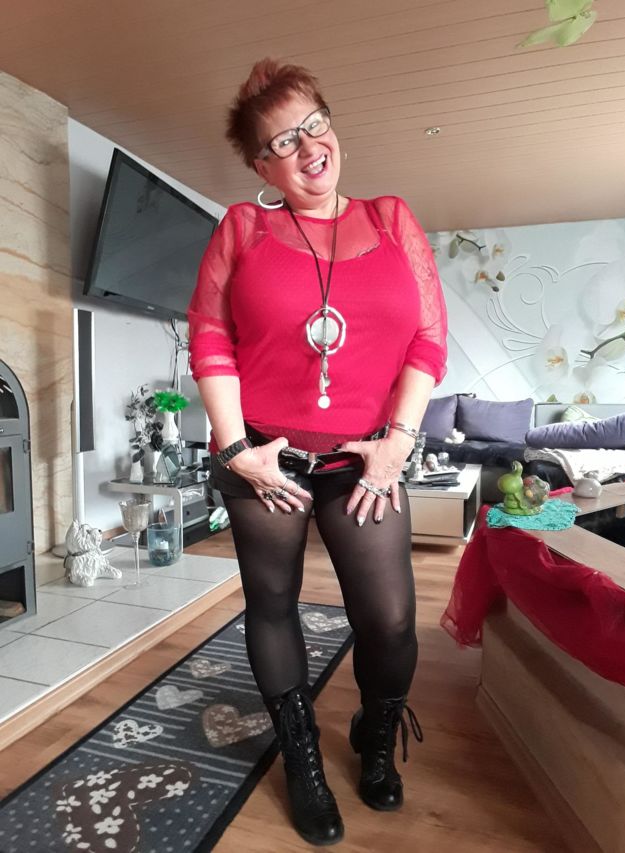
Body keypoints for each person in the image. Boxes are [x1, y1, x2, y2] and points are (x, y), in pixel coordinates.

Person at [188, 58, 447, 846]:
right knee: (272, 603)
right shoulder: (242, 228)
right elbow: (210, 337)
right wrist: (237, 449)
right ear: (262, 165)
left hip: (366, 459)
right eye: (282, 141)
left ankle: (376, 728)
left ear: (332, 127)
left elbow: (428, 338)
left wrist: (397, 445)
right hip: (264, 459)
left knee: (391, 620)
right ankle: (301, 753)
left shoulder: (393, 219)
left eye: (314, 124)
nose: (307, 147)